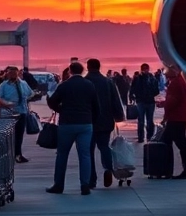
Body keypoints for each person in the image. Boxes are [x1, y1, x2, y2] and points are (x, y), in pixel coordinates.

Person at [46, 60, 99, 196]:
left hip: (67, 123)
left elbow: (53, 102)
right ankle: (85, 185)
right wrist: (91, 118)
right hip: (85, 123)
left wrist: (61, 110)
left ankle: (58, 185)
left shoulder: (64, 85)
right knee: (85, 155)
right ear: (82, 71)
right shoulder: (89, 85)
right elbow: (96, 105)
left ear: (70, 71)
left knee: (62, 154)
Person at [85, 59, 126, 188]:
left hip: (88, 121)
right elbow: (115, 100)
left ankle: (91, 179)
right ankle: (108, 168)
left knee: (88, 151)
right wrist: (119, 116)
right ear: (99, 67)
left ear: (88, 67)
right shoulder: (108, 82)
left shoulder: (85, 82)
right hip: (106, 120)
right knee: (104, 147)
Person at [159, 64, 186, 181]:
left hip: (176, 119)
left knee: (169, 142)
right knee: (176, 142)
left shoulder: (175, 83)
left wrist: (165, 115)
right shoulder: (181, 81)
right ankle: (179, 170)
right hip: (181, 118)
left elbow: (172, 102)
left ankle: (168, 169)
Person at [0, 67, 33, 163]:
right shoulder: (4, 85)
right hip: (8, 113)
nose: (12, 75)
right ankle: (7, 155)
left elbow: (31, 93)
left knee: (19, 135)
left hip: (21, 112)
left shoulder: (23, 84)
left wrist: (25, 99)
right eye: (10, 73)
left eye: (14, 73)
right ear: (7, 74)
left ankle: (18, 154)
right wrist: (6, 103)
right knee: (8, 136)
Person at [129, 63, 159, 142]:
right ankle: (147, 137)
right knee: (146, 120)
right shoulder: (151, 78)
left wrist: (133, 96)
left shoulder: (139, 78)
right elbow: (156, 90)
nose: (145, 70)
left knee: (144, 120)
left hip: (144, 101)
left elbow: (132, 89)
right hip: (146, 101)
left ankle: (143, 137)